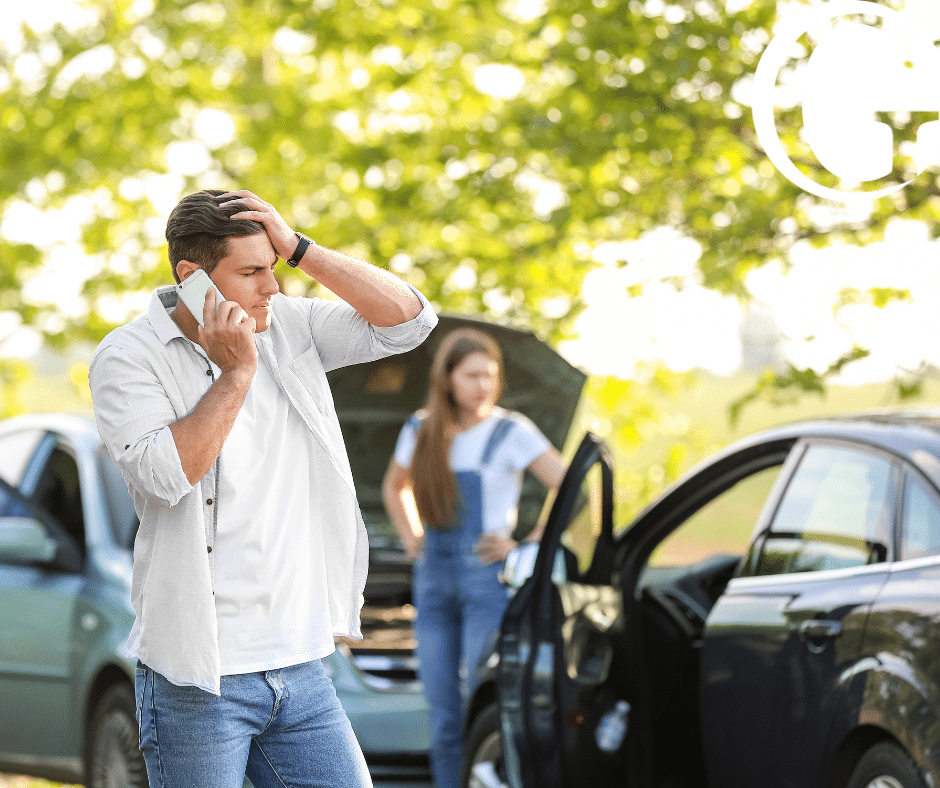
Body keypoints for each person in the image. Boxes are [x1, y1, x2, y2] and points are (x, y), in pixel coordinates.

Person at [89, 189, 438, 788]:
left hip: (301, 666)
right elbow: (168, 474)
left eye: (272, 267)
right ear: (193, 278)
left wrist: (300, 249)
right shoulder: (127, 356)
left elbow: (409, 323)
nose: (271, 287)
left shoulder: (291, 325)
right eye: (252, 272)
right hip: (198, 677)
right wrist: (238, 373)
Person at [381, 328, 567, 788]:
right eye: (472, 375)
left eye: (491, 375)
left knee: (477, 703)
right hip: (433, 583)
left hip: (488, 584)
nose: (483, 385)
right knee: (442, 711)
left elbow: (570, 484)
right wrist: (412, 537)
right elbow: (394, 486)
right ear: (448, 379)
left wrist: (527, 544)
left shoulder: (511, 431)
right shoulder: (421, 428)